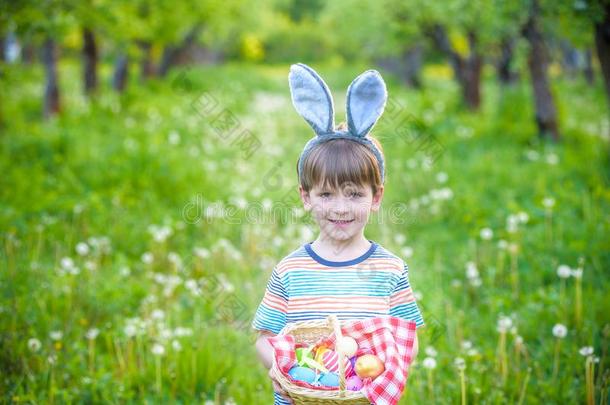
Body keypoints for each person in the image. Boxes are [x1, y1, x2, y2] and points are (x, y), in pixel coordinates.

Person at [252, 63, 424, 405]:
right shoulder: (290, 271)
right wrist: (284, 369)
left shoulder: (390, 270)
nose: (341, 208)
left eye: (355, 194)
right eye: (327, 195)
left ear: (376, 197)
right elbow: (266, 336)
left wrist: (384, 371)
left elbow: (408, 337)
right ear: (305, 197)